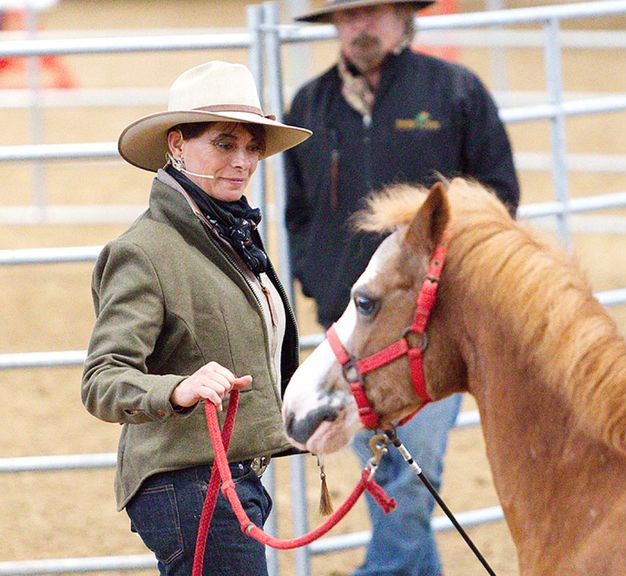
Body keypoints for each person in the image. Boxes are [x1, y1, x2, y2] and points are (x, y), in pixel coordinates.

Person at [283, 1, 519, 574]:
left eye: (373, 12)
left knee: (406, 471)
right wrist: (318, 281)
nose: (359, 26)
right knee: (393, 469)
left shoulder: (455, 92)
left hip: (428, 326)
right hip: (350, 321)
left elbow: (498, 196)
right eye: (347, 15)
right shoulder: (310, 106)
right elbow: (299, 212)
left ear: (402, 18)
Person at [81, 60, 311, 576]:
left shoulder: (230, 236)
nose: (244, 161)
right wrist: (177, 390)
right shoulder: (144, 252)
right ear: (177, 145)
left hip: (228, 479)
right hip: (185, 483)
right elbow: (102, 380)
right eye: (225, 143)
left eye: (253, 147)